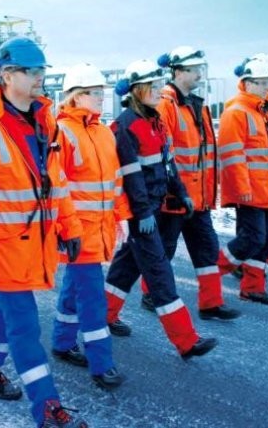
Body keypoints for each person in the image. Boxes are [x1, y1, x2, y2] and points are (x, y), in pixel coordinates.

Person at [0, 37, 88, 427]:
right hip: (4, 246)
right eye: (33, 70)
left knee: (3, 311)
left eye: (42, 70)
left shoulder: (45, 121)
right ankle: (46, 406)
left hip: (35, 243)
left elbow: (56, 181)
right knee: (24, 326)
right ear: (8, 76)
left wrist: (70, 226)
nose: (41, 77)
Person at [103, 59, 218, 360]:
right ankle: (186, 341)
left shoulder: (156, 122)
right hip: (142, 213)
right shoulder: (126, 127)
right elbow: (132, 177)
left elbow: (168, 165)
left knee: (126, 266)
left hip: (154, 207)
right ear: (137, 91)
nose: (158, 91)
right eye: (152, 87)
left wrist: (182, 194)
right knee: (160, 273)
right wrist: (141, 215)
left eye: (158, 85)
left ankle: (104, 315)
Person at [135, 46, 239, 321]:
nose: (200, 75)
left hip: (199, 196)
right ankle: (150, 292)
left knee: (207, 248)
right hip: (175, 196)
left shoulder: (196, 105)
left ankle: (211, 303)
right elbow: (161, 152)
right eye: (194, 70)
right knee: (164, 249)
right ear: (179, 72)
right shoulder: (166, 105)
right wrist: (170, 191)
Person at [50, 63, 131, 390]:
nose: (101, 98)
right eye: (95, 93)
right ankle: (102, 364)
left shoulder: (102, 133)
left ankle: (62, 343)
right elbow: (57, 186)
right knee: (92, 299)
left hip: (100, 228)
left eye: (102, 93)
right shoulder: (62, 132)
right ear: (76, 96)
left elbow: (115, 180)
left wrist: (121, 215)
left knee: (74, 291)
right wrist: (65, 228)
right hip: (77, 232)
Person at [217, 57, 268, 305]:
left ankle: (253, 287)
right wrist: (241, 188)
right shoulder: (236, 112)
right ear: (247, 83)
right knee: (252, 239)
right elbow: (232, 155)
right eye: (263, 82)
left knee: (265, 241)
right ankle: (213, 271)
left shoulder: (265, 113)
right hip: (251, 191)